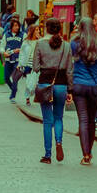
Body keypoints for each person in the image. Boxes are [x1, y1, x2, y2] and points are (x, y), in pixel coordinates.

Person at [70, 17, 97, 165]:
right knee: (92, 120)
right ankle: (89, 151)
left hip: (78, 85)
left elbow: (69, 66)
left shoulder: (74, 44)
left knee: (83, 119)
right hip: (95, 87)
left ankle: (85, 154)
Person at [32, 18, 72, 162]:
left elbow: (35, 67)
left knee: (47, 121)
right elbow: (70, 70)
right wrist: (70, 90)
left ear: (46, 29)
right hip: (61, 84)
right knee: (59, 117)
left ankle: (48, 154)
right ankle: (59, 142)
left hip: (45, 84)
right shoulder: (66, 46)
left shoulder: (40, 44)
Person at [1, 18, 25, 103]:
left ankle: (12, 96)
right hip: (8, 59)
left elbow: (26, 46)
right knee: (6, 78)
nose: (17, 27)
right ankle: (13, 88)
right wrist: (3, 52)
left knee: (15, 77)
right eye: (15, 25)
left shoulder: (23, 35)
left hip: (18, 60)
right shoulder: (6, 35)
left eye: (18, 25)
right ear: (11, 26)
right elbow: (2, 46)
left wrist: (21, 49)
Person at [18, 22, 40, 106]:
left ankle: (32, 95)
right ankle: (27, 99)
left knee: (35, 83)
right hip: (28, 64)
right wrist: (20, 64)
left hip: (37, 65)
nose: (38, 32)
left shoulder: (40, 41)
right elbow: (22, 53)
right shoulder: (26, 42)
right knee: (28, 83)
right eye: (37, 30)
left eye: (39, 30)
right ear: (32, 31)